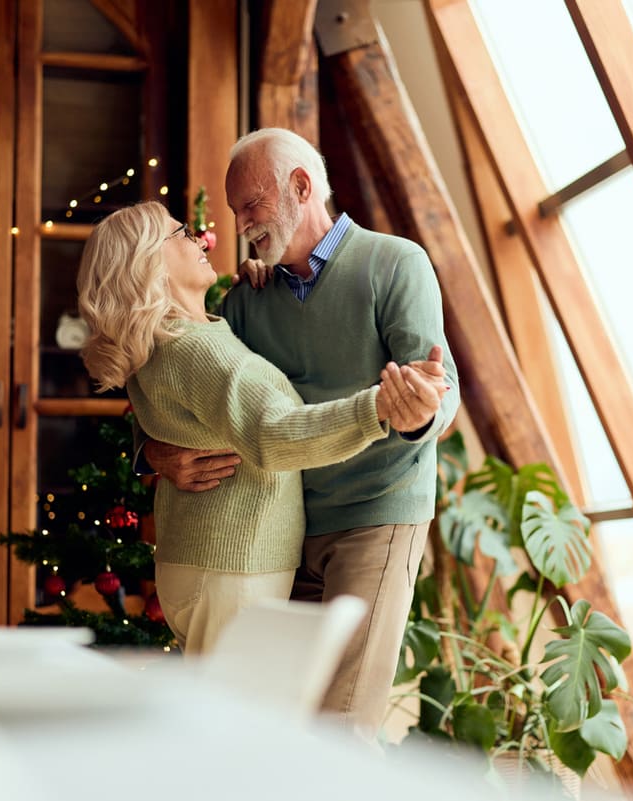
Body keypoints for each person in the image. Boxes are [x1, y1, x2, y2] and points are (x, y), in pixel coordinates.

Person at [143, 128, 460, 737]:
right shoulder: (246, 300)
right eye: (237, 213)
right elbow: (180, 382)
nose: (241, 227)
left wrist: (421, 412)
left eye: (251, 207)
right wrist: (153, 452)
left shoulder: (395, 264)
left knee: (341, 725)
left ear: (301, 186)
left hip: (377, 513)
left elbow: (439, 395)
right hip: (286, 529)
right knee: (288, 726)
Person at [76, 200, 444, 655]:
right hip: (234, 570)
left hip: (203, 565)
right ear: (148, 261)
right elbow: (276, 433)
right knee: (234, 721)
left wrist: (256, 289)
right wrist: (378, 408)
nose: (201, 238)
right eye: (181, 234)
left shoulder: (168, 342)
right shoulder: (197, 349)